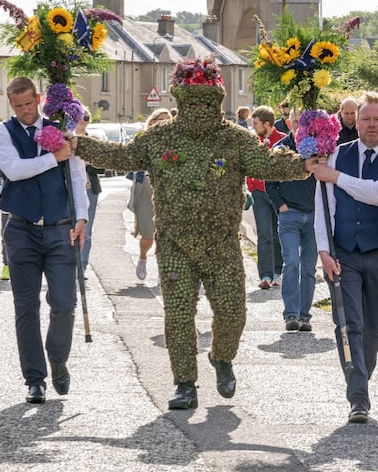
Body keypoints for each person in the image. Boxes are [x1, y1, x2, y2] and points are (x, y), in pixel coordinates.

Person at [76, 58, 316, 410]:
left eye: (206, 102)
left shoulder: (236, 139)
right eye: (192, 102)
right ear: (179, 101)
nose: (199, 110)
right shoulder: (159, 138)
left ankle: (222, 358)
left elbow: (267, 164)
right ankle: (185, 383)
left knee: (233, 311)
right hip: (174, 242)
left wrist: (304, 163)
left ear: (217, 100)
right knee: (177, 314)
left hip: (221, 242)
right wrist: (78, 144)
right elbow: (123, 156)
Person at [313, 91, 378, 424]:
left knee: (373, 325)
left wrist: (336, 177)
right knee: (348, 323)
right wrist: (324, 250)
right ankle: (358, 398)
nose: (371, 125)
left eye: (377, 119)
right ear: (356, 122)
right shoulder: (337, 154)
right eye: (365, 119)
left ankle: (361, 379)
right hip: (344, 254)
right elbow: (324, 205)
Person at [0, 76, 89, 404]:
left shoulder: (61, 128)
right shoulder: (2, 131)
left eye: (28, 105)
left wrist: (82, 218)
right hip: (21, 230)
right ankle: (35, 379)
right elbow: (14, 170)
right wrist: (53, 158)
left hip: (61, 228)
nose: (24, 112)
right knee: (26, 307)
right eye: (17, 107)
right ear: (11, 105)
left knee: (64, 304)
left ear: (38, 98)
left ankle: (58, 359)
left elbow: (76, 175)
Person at [266, 108, 317, 332]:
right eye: (295, 121)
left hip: (314, 216)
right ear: (289, 122)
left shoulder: (318, 148)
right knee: (291, 263)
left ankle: (305, 316)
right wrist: (281, 207)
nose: (298, 126)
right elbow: (270, 182)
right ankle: (291, 315)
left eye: (303, 122)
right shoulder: (281, 149)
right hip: (290, 215)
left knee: (308, 267)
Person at [128, 108, 169, 280]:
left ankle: (163, 269)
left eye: (168, 120)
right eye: (161, 119)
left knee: (165, 233)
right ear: (152, 121)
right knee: (148, 233)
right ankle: (143, 257)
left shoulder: (175, 141)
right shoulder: (142, 140)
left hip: (167, 188)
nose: (165, 123)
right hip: (145, 187)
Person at [248, 105, 285, 289]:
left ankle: (278, 271)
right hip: (259, 194)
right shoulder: (253, 141)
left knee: (279, 234)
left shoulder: (283, 141)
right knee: (264, 234)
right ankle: (265, 275)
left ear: (267, 124)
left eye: (255, 123)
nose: (253, 126)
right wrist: (252, 187)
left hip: (278, 194)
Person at [78, 110, 103, 275]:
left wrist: (88, 163)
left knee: (87, 231)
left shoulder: (93, 141)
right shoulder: (65, 139)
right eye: (81, 118)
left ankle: (82, 267)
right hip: (69, 191)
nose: (83, 121)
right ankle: (69, 265)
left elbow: (102, 167)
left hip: (89, 190)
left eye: (86, 118)